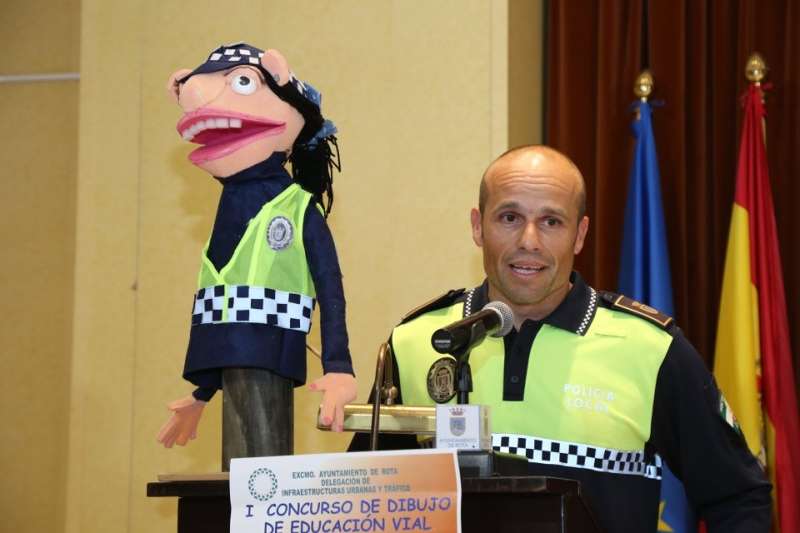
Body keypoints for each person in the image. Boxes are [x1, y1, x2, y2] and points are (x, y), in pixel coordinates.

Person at [351, 145, 771, 532]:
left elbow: (739, 498)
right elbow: (363, 501)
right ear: (478, 226)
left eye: (551, 222)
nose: (528, 242)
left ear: (580, 234)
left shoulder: (652, 349)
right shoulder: (416, 342)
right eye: (509, 218)